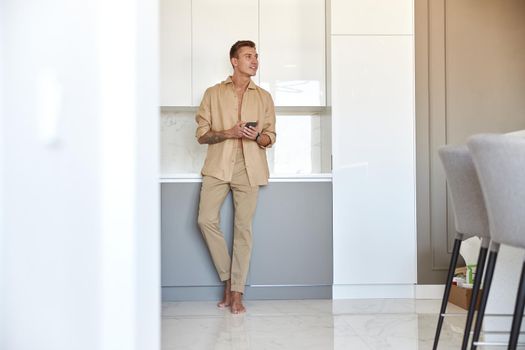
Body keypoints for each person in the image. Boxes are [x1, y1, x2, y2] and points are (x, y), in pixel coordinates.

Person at [195, 40, 276, 314]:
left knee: (243, 230)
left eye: (256, 56)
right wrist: (229, 132)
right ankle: (229, 280)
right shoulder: (213, 93)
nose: (254, 61)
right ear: (234, 61)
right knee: (205, 220)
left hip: (250, 168)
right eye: (248, 56)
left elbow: (271, 137)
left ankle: (237, 293)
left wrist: (259, 137)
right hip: (218, 166)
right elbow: (202, 136)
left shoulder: (264, 97)